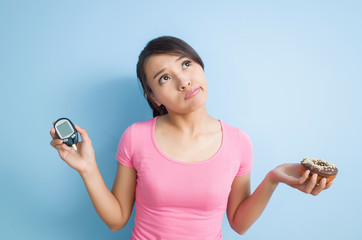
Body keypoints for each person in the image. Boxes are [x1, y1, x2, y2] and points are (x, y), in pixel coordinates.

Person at [50, 36, 334, 240]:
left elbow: (239, 224)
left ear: (199, 65)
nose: (183, 81)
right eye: (164, 78)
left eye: (186, 64)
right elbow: (116, 221)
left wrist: (273, 177)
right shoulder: (135, 137)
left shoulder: (238, 142)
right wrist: (88, 169)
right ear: (153, 97)